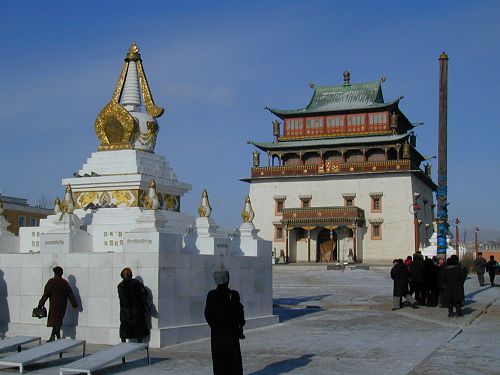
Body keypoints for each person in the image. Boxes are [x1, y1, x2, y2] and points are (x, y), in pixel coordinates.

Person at [205, 269, 245, 375]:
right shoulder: (232, 294)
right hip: (231, 333)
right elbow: (239, 313)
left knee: (219, 361)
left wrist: (214, 326)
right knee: (233, 360)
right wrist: (240, 325)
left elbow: (207, 314)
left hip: (217, 334)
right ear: (227, 280)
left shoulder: (211, 295)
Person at [38, 266, 78, 342]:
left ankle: (55, 337)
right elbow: (70, 294)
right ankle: (55, 336)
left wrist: (41, 303)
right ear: (61, 273)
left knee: (55, 321)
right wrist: (74, 304)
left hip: (54, 305)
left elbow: (46, 294)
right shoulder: (64, 282)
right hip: (62, 305)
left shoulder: (51, 281)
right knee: (58, 321)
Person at [117, 267, 149, 343]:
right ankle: (139, 343)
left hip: (125, 311)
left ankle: (123, 342)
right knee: (139, 326)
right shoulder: (137, 284)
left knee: (124, 326)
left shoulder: (120, 286)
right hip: (136, 310)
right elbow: (144, 294)